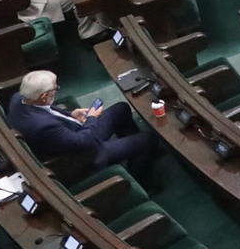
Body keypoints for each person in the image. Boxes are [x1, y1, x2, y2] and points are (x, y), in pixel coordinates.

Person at [8, 70, 158, 173]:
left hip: (75, 131)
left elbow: (48, 109)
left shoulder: (19, 98)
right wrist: (92, 118)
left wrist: (71, 113)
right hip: (87, 155)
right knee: (148, 140)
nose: (57, 90)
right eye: (55, 89)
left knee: (121, 108)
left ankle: (136, 156)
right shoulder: (44, 127)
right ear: (43, 96)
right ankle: (144, 180)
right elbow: (82, 141)